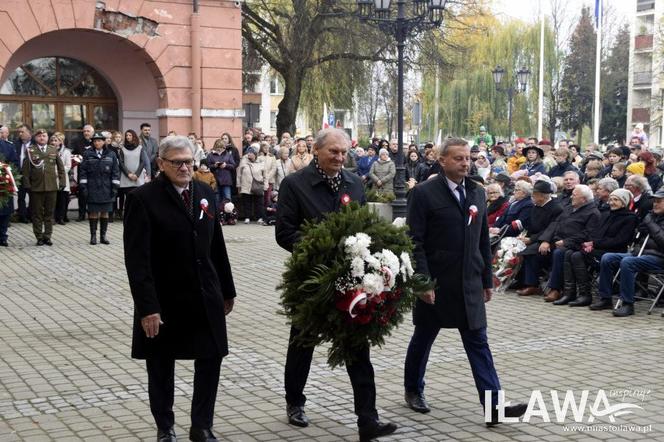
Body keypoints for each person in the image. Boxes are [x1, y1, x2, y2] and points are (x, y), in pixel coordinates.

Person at [275, 128, 397, 441]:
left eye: (344, 152)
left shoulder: (354, 182)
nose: (340, 158)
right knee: (302, 342)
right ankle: (295, 401)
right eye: (333, 152)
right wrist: (321, 247)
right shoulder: (294, 184)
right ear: (316, 151)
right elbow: (284, 232)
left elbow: (362, 226)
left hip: (350, 279)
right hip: (312, 277)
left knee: (358, 346)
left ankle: (367, 419)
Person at [404, 137, 527, 425]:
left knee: (478, 342)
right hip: (437, 281)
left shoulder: (476, 192)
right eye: (458, 158)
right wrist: (422, 282)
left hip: (469, 281)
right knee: (423, 337)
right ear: (442, 160)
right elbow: (414, 241)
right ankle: (413, 389)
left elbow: (482, 239)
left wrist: (487, 279)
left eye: (468, 158)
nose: (465, 163)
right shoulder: (424, 193)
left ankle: (494, 406)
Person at [123, 135, 236, 442]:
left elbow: (216, 244)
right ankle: (165, 426)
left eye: (189, 161)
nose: (186, 168)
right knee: (161, 365)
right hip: (164, 299)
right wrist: (147, 308)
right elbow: (137, 261)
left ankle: (201, 425)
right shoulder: (142, 199)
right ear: (161, 164)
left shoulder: (203, 191)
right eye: (178, 163)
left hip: (204, 294)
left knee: (211, 357)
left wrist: (227, 289)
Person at [591, 189, 664, 316]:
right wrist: (639, 230)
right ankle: (605, 298)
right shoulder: (651, 216)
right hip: (640, 253)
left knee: (628, 262)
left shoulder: (651, 219)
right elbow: (635, 239)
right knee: (608, 258)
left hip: (659, 257)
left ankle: (627, 304)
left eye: (659, 201)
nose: (655, 204)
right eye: (654, 202)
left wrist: (651, 225)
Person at [563, 189, 637, 307]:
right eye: (611, 199)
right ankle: (570, 292)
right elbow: (594, 232)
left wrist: (594, 244)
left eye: (616, 200)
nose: (611, 202)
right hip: (598, 248)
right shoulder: (606, 214)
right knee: (569, 253)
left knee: (577, 255)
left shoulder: (630, 218)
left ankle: (586, 295)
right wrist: (590, 242)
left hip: (614, 251)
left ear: (624, 202)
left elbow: (620, 241)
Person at [540, 185, 601, 303]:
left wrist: (565, 242)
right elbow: (557, 223)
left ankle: (556, 288)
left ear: (583, 199)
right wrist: (546, 240)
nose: (571, 197)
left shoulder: (593, 213)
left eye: (574, 195)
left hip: (577, 244)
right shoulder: (569, 208)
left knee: (560, 253)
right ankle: (527, 282)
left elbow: (587, 235)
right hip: (558, 240)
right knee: (536, 249)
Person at [516, 180, 564, 296]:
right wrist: (523, 236)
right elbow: (530, 225)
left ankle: (532, 285)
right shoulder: (536, 206)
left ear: (542, 196)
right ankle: (520, 281)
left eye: (534, 195)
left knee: (530, 252)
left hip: (549, 241)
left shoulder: (556, 208)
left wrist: (532, 240)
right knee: (516, 248)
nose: (532, 197)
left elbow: (550, 229)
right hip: (535, 238)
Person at [21, 129, 66, 246]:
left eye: (44, 136)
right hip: (36, 187)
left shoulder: (53, 149)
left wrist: (62, 182)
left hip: (51, 187)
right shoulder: (31, 150)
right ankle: (39, 237)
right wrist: (27, 185)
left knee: (50, 213)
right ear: (35, 138)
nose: (42, 138)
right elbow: (25, 170)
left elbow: (61, 168)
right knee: (37, 214)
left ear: (47, 138)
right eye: (39, 136)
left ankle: (47, 236)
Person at [79, 133, 120, 245]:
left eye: (99, 141)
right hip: (92, 188)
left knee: (105, 213)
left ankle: (103, 236)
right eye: (95, 141)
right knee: (93, 213)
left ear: (104, 142)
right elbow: (82, 172)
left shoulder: (111, 154)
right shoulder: (87, 154)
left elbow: (115, 172)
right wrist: (83, 187)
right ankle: (93, 237)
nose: (97, 143)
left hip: (107, 188)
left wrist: (115, 187)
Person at [117, 130, 146, 219]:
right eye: (126, 135)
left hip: (138, 178)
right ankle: (127, 216)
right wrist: (129, 174)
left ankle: (137, 216)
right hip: (126, 178)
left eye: (130, 135)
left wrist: (136, 174)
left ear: (134, 136)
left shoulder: (140, 148)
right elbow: (121, 163)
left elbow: (142, 162)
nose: (128, 137)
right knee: (128, 198)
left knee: (137, 198)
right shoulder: (122, 149)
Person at [237, 145, 265, 224]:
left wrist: (265, 185)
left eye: (250, 153)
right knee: (247, 202)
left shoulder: (261, 162)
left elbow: (265, 175)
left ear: (255, 154)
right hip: (246, 185)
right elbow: (239, 174)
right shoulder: (243, 161)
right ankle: (247, 217)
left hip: (258, 185)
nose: (248, 154)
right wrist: (238, 185)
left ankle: (259, 217)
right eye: (248, 153)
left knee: (259, 203)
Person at [0, 132, 19, 246]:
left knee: (5, 213)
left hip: (4, 184)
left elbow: (15, 163)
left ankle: (2, 236)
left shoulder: (8, 146)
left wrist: (6, 172)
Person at [13, 124, 33, 223]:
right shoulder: (16, 143)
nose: (20, 134)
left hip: (32, 175)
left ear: (29, 133)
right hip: (20, 174)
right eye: (19, 132)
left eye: (22, 132)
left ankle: (31, 215)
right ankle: (23, 216)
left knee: (33, 196)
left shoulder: (35, 144)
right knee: (21, 197)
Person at [207, 138, 236, 203]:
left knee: (227, 199)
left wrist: (226, 165)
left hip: (226, 180)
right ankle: (217, 213)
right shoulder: (210, 155)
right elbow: (207, 166)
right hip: (215, 180)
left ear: (224, 148)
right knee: (216, 199)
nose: (220, 150)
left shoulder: (228, 155)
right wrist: (214, 166)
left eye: (221, 148)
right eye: (218, 148)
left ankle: (228, 213)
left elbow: (233, 166)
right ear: (215, 147)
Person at [53, 132, 72, 225]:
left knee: (62, 199)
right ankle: (53, 217)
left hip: (62, 177)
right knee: (53, 199)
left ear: (60, 142)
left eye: (56, 140)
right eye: (52, 140)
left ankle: (61, 217)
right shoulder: (49, 151)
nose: (53, 142)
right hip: (51, 178)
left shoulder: (66, 152)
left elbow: (68, 166)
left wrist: (58, 172)